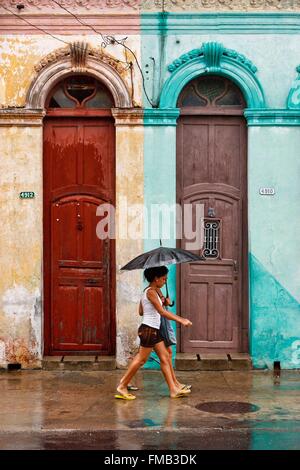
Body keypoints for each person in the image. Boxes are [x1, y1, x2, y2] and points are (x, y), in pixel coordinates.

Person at [115, 266, 192, 400]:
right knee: (141, 360)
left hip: (153, 330)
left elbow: (141, 311)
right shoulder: (150, 292)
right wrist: (181, 320)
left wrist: (162, 302)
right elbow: (161, 312)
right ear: (156, 279)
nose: (165, 281)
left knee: (165, 357)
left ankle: (173, 389)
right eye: (163, 279)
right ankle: (122, 385)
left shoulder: (150, 292)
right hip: (149, 330)